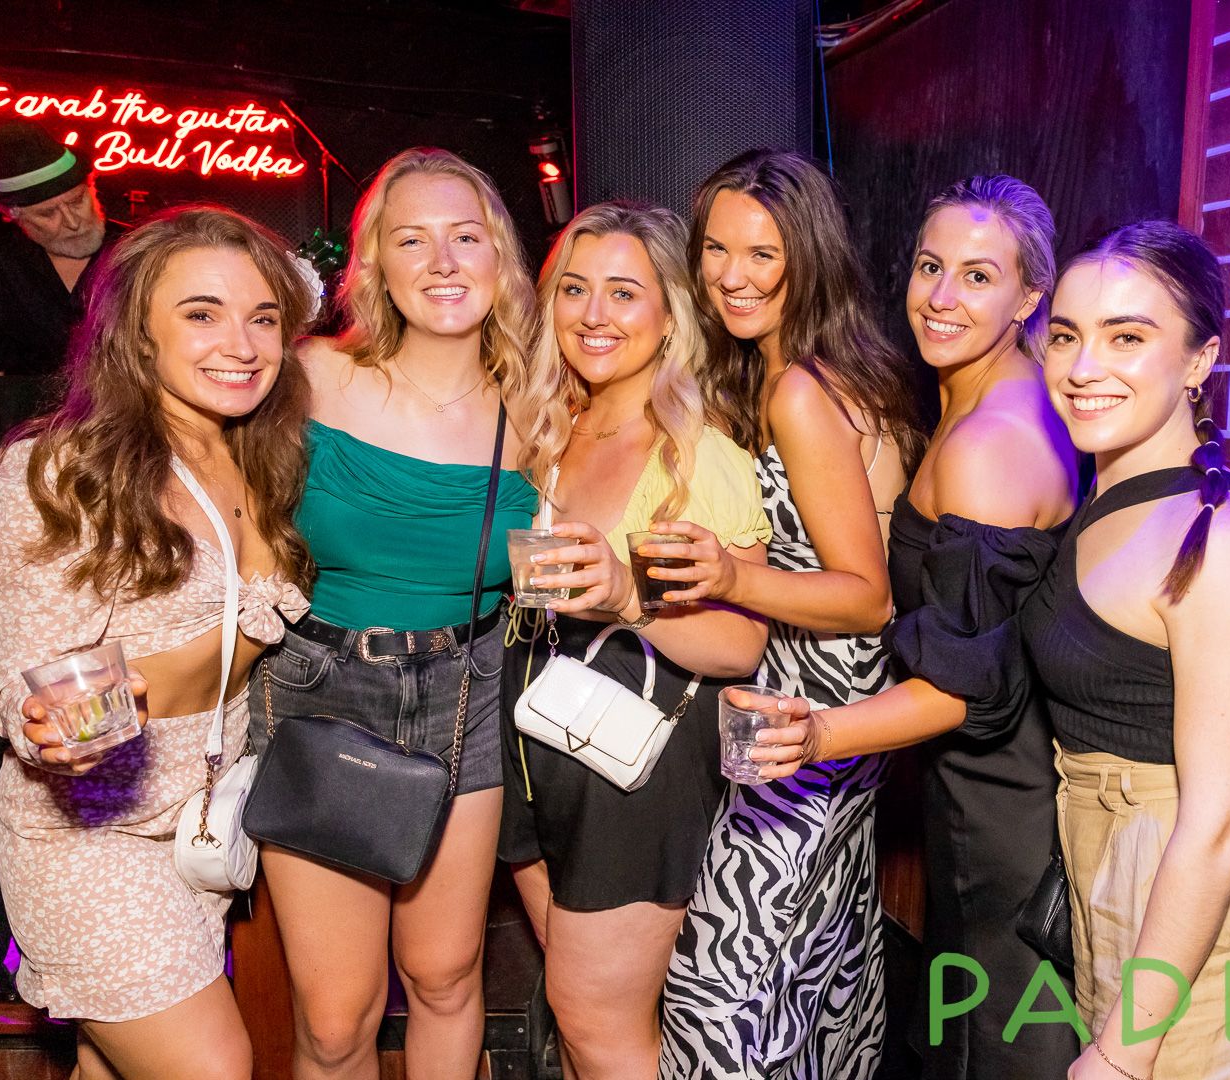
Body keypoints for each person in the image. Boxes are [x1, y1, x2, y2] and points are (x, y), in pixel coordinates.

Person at [724, 173, 1083, 1077]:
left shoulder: (990, 446)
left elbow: (968, 688)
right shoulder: (976, 402)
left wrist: (820, 734)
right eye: (930, 267)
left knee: (1001, 1049)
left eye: (976, 276)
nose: (940, 297)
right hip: (980, 789)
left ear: (1028, 298)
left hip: (1002, 806)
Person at [0, 205, 317, 1080]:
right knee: (212, 1066)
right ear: (137, 335)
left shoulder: (266, 458)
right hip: (91, 835)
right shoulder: (66, 468)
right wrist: (45, 723)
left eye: (264, 318)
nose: (241, 343)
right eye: (201, 313)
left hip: (202, 832)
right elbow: (24, 682)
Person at [247, 148, 539, 1080]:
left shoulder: (545, 406)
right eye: (412, 239)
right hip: (322, 687)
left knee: (448, 974)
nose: (444, 262)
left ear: (500, 256)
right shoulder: (308, 379)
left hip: (469, 685)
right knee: (336, 1020)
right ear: (373, 264)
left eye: (466, 237)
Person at [646, 148, 923, 1080]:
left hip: (816, 710)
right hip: (807, 706)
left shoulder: (803, 390)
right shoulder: (789, 372)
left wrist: (724, 573)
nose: (732, 275)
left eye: (762, 254)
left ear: (808, 256)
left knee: (718, 993)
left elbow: (865, 595)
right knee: (811, 968)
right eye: (716, 249)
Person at [1029, 221, 1230, 1079]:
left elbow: (1219, 824)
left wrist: (1122, 1054)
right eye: (1066, 336)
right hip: (1112, 870)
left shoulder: (1218, 538)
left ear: (1198, 361)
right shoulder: (1105, 495)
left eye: (1127, 337)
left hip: (1194, 896)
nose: (1084, 367)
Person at [496, 201, 771, 1080]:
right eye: (573, 290)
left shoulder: (697, 453)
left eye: (624, 292)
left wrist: (626, 599)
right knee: (580, 1021)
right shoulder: (536, 431)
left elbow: (738, 645)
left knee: (596, 1022)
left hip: (631, 763)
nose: (593, 315)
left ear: (670, 315)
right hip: (527, 747)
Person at [0, 121, 124, 376]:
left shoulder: (140, 250)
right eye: (48, 213)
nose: (72, 222)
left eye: (77, 200)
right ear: (13, 215)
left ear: (92, 187)